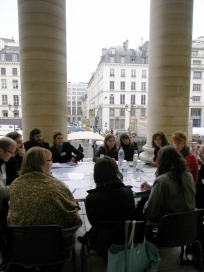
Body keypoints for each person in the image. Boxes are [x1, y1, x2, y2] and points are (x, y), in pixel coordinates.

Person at [8, 147, 82, 251]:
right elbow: (71, 212)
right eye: (49, 161)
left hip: (22, 243)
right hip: (55, 244)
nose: (51, 163)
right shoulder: (57, 185)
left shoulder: (15, 185)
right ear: (40, 163)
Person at [143, 145, 196, 223]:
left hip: (170, 225)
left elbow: (150, 212)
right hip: (189, 225)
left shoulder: (162, 181)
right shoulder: (189, 176)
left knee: (142, 205)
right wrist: (152, 188)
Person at [0, 137, 16, 234]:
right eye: (11, 152)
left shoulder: (3, 164)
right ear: (1, 150)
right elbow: (2, 192)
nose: (13, 155)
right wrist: (21, 186)